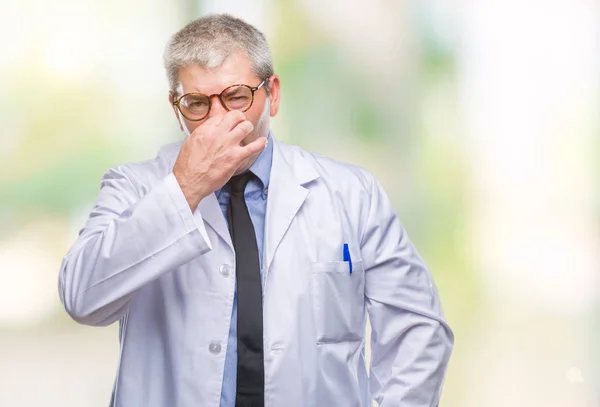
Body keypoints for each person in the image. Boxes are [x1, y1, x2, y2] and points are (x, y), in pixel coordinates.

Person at [58, 13, 453, 407]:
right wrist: (184, 189)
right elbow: (82, 298)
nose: (219, 119)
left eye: (236, 97)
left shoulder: (351, 194)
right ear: (176, 109)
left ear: (273, 94)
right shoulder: (134, 188)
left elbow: (418, 331)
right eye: (196, 103)